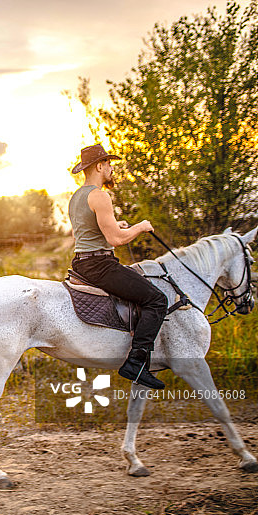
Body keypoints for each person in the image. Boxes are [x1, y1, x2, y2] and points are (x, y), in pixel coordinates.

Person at [68, 144, 168, 389]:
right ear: (100, 166)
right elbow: (116, 240)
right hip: (100, 265)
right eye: (109, 164)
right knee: (157, 299)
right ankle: (136, 362)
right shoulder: (100, 195)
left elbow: (86, 231)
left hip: (82, 262)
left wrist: (117, 223)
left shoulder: (76, 197)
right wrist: (141, 226)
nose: (112, 168)